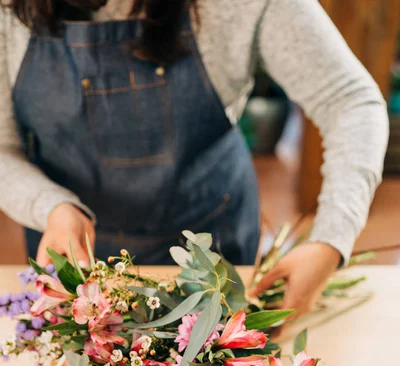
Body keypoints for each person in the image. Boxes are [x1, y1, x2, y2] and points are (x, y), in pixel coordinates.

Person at [0, 0, 389, 314]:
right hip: (78, 267)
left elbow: (350, 102)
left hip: (215, 248)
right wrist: (50, 206)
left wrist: (331, 240)